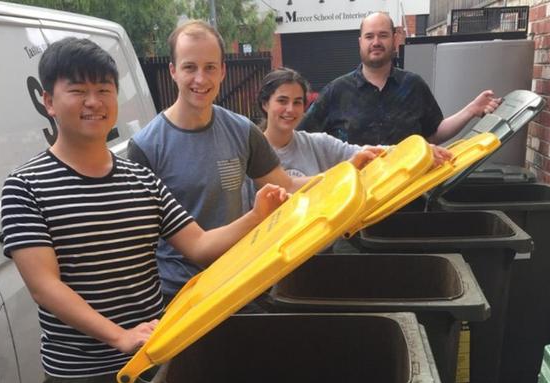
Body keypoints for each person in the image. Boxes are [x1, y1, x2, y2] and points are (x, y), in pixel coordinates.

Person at [0, 37, 287, 383]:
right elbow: (44, 286)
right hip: (84, 377)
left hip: (154, 358)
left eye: (104, 90)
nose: (93, 101)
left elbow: (200, 245)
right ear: (49, 101)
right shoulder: (25, 186)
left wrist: (256, 216)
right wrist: (119, 336)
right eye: (78, 91)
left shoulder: (141, 179)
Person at [127, 21, 378, 300]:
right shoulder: (146, 146)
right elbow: (138, 243)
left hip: (237, 281)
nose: (200, 78)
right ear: (173, 71)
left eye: (210, 67)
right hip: (180, 295)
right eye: (189, 67)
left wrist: (346, 170)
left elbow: (288, 185)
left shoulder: (242, 131)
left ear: (222, 71)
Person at [298, 11, 501, 146]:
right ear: (360, 42)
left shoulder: (413, 86)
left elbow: (434, 133)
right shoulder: (336, 92)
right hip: (356, 195)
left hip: (409, 193)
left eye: (383, 35)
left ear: (394, 39)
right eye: (369, 36)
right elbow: (302, 139)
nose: (376, 42)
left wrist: (471, 110)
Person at [256, 67, 452, 178]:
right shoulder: (250, 154)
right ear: (265, 103)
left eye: (297, 102)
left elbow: (369, 153)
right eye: (282, 101)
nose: (290, 109)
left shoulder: (317, 144)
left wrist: (416, 152)